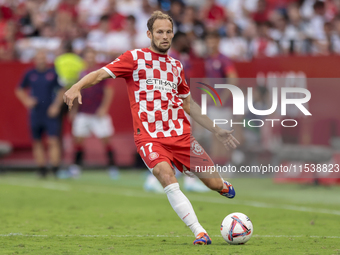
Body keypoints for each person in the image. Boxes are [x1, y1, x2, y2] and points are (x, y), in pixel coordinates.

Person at [63, 11, 239, 245]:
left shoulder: (176, 67)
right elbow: (98, 74)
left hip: (181, 136)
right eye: (159, 32)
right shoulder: (134, 58)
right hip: (149, 138)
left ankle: (222, 185)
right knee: (166, 176)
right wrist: (77, 86)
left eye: (168, 32)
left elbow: (189, 104)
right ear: (149, 34)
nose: (164, 36)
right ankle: (199, 231)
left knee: (214, 184)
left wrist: (216, 129)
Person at [68, 48, 118, 178]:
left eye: (92, 57)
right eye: (87, 57)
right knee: (78, 138)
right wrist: (73, 110)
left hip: (97, 112)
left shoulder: (101, 73)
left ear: (95, 58)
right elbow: (77, 92)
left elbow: (109, 90)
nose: (90, 59)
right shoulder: (80, 73)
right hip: (83, 111)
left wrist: (104, 107)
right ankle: (76, 166)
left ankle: (112, 166)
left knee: (106, 138)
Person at [15, 50, 64, 178]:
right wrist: (27, 100)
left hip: (50, 113)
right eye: (39, 58)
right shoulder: (30, 73)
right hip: (36, 112)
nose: (41, 61)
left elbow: (61, 90)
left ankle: (55, 168)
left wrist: (56, 106)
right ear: (35, 60)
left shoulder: (53, 73)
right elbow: (19, 89)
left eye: (43, 58)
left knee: (53, 140)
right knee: (37, 142)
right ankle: (41, 169)